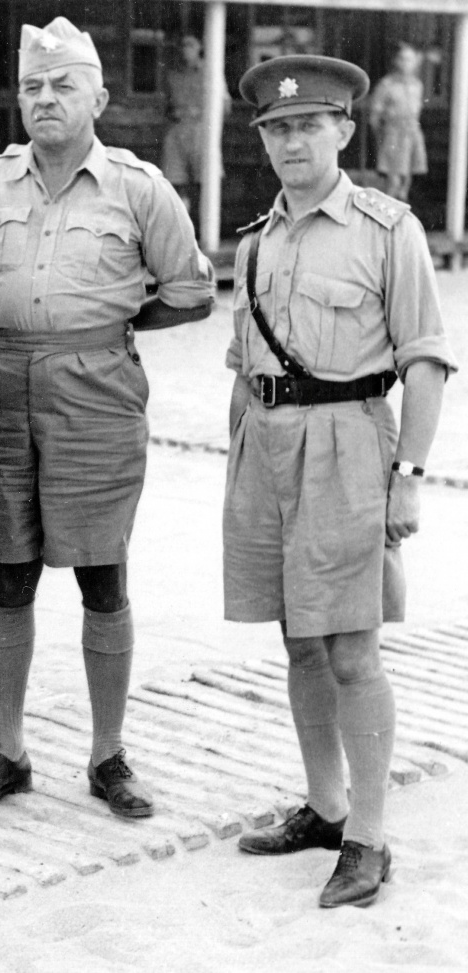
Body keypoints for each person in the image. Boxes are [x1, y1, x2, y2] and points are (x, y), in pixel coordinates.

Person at [0, 18, 215, 821]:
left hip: (98, 392)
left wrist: (106, 329)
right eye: (32, 86)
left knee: (103, 570)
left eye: (63, 85)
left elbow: (191, 292)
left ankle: (107, 754)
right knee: (7, 570)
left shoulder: (139, 187)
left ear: (99, 97)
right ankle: (7, 750)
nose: (45, 99)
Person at [227, 55, 456, 909]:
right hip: (265, 449)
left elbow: (426, 361)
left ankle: (369, 836)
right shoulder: (256, 240)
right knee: (298, 638)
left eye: (309, 126)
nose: (292, 142)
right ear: (264, 140)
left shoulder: (388, 230)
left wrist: (408, 477)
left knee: (353, 649)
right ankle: (325, 808)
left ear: (345, 131)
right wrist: (241, 456)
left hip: (349, 444)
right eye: (278, 129)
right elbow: (242, 364)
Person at [160, 33, 230, 219]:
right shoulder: (173, 74)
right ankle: (181, 225)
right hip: (178, 130)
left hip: (202, 130)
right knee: (175, 180)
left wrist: (203, 115)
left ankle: (205, 226)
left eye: (190, 45)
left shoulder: (211, 71)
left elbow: (225, 105)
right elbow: (166, 105)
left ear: (200, 47)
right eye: (182, 45)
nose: (185, 50)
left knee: (206, 181)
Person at [369, 43, 427, 202]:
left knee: (406, 180)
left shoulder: (417, 85)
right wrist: (382, 138)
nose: (405, 63)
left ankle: (403, 208)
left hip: (412, 133)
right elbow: (375, 116)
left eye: (409, 59)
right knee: (393, 181)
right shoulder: (386, 84)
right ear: (396, 61)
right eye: (402, 59)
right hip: (393, 134)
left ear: (415, 62)